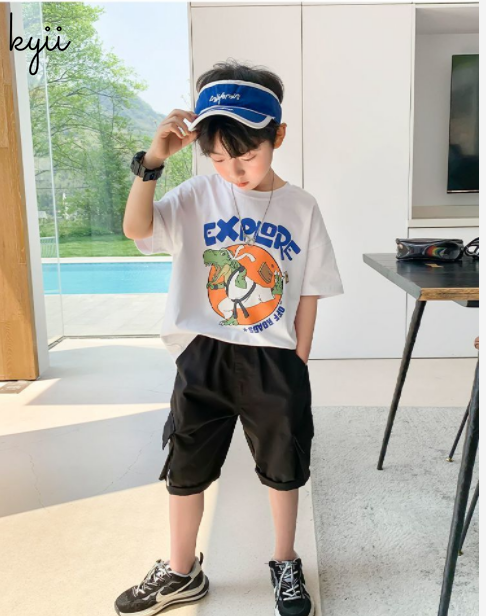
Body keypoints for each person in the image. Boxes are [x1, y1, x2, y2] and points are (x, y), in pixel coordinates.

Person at [115, 59, 344, 616]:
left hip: (273, 356)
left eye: (246, 156)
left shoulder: (301, 207)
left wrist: (299, 358)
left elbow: (310, 290)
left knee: (283, 464)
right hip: (204, 355)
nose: (234, 171)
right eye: (218, 158)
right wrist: (152, 163)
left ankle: (285, 560)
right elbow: (137, 229)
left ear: (277, 137)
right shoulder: (197, 194)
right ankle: (181, 570)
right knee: (186, 465)